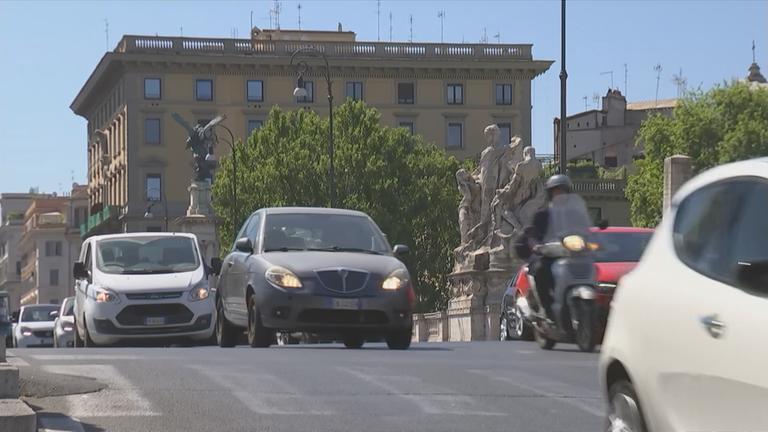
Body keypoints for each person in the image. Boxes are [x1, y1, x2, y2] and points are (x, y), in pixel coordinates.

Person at [514, 174, 574, 324]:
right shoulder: (541, 216)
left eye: (563, 192)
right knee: (541, 269)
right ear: (550, 195)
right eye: (557, 192)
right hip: (548, 256)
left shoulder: (574, 216)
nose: (560, 196)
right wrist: (535, 244)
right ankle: (547, 309)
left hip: (568, 256)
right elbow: (531, 233)